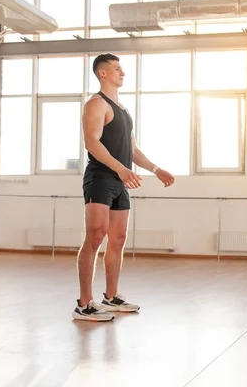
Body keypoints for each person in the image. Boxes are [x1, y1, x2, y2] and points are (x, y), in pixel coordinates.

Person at [72, 53, 175, 322]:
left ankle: (111, 296)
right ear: (102, 73)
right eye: (117, 69)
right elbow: (91, 142)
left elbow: (132, 149)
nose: (123, 73)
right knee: (95, 236)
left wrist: (155, 169)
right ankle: (84, 304)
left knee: (117, 239)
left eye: (122, 69)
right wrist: (119, 168)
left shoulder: (123, 110)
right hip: (101, 177)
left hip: (119, 180)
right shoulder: (96, 104)